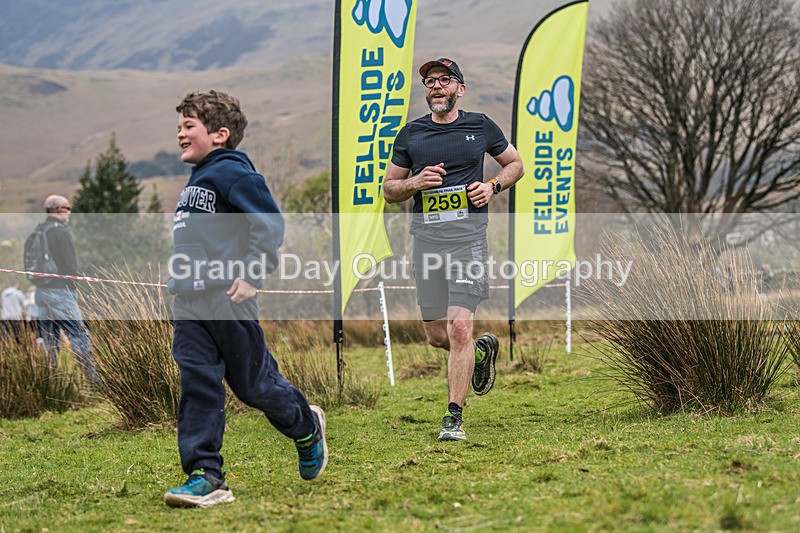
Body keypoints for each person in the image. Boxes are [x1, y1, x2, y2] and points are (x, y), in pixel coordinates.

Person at [163, 90, 327, 508]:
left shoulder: (235, 174)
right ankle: (205, 475)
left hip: (228, 301)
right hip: (189, 304)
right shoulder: (196, 178)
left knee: (255, 387)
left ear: (219, 134)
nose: (180, 133)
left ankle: (306, 426)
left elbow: (269, 224)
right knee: (197, 382)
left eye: (189, 126)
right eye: (179, 126)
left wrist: (253, 272)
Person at [384, 58, 525, 442]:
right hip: (427, 243)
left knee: (460, 325)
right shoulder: (410, 135)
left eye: (445, 80)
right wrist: (415, 182)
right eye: (430, 81)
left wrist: (493, 186)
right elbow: (389, 189)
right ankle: (479, 353)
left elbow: (515, 164)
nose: (436, 86)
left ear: (459, 89)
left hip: (469, 241)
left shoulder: (480, 125)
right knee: (436, 335)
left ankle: (453, 418)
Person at [33, 195, 97, 381]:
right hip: (60, 290)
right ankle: (93, 381)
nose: (69, 212)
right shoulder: (61, 231)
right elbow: (70, 266)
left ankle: (50, 381)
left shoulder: (39, 230)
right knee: (78, 334)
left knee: (49, 339)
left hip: (40, 291)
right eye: (68, 208)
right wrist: (74, 287)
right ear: (59, 209)